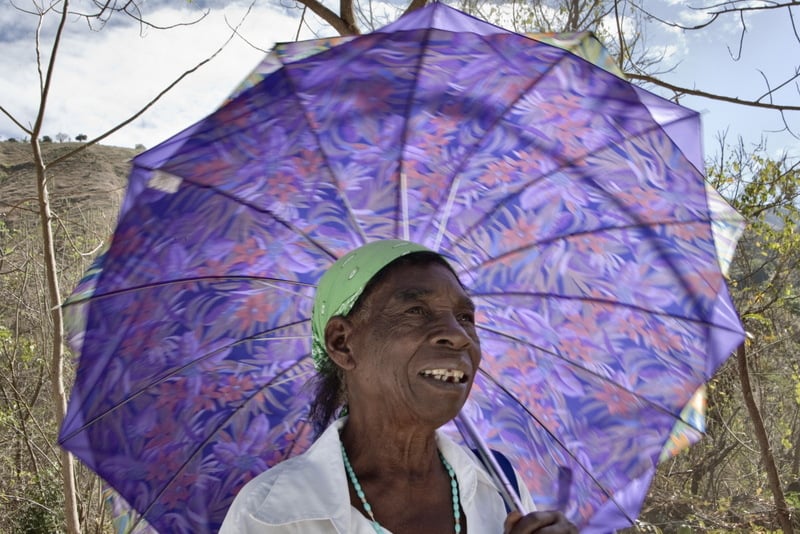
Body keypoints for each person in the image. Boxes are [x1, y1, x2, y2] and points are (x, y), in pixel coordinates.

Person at [220, 240, 577, 534]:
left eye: (466, 317)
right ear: (343, 342)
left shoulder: (499, 487)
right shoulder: (270, 514)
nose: (457, 335)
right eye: (416, 311)